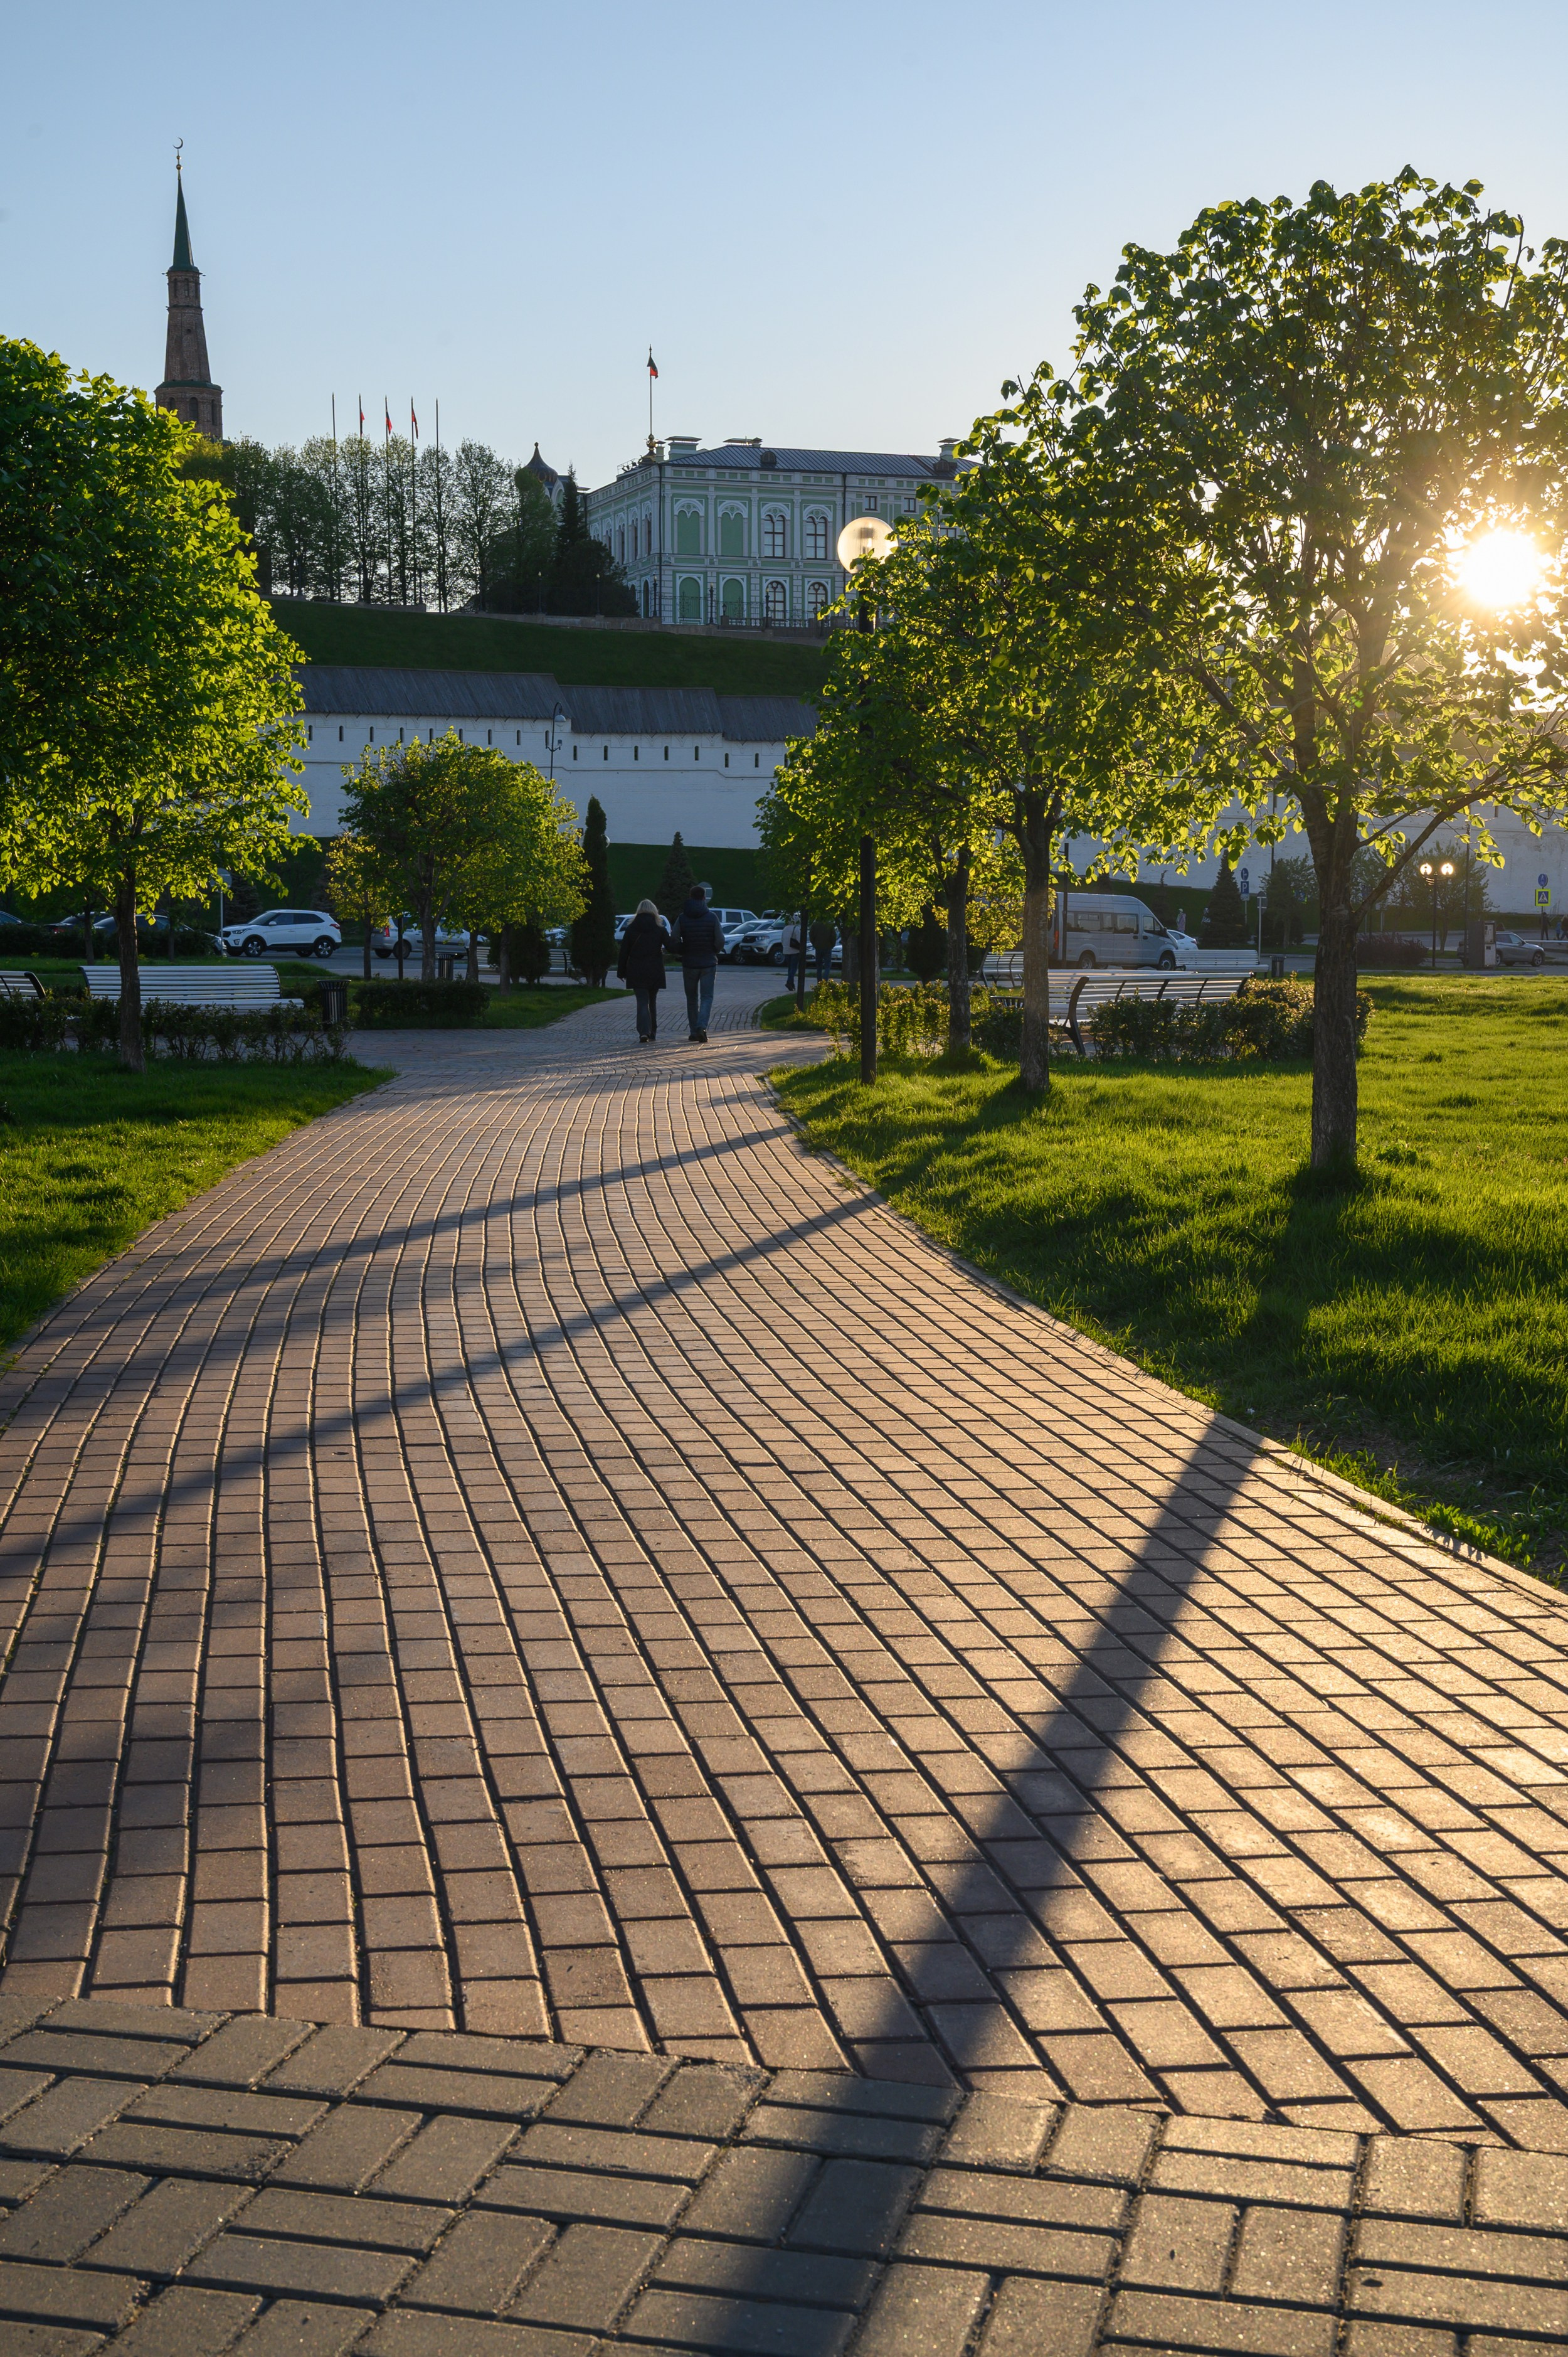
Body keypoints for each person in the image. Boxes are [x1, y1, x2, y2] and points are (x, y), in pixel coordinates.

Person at [671, 884, 724, 1041]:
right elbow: (720, 940)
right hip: (708, 962)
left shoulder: (682, 917)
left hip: (689, 963)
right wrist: (714, 950)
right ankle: (702, 1026)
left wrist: (682, 950)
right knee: (707, 997)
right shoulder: (712, 917)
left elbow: (674, 938)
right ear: (704, 898)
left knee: (692, 998)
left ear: (690, 897)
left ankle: (694, 1031)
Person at [616, 898, 667, 1044]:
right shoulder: (660, 929)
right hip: (655, 970)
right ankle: (652, 1033)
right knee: (653, 1002)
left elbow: (624, 952)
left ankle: (644, 1032)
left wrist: (621, 972)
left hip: (636, 970)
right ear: (654, 912)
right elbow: (672, 946)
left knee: (642, 1002)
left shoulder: (631, 930)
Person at [809, 916, 837, 984]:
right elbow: (833, 936)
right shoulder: (830, 925)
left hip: (818, 948)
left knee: (819, 966)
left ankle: (819, 982)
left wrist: (815, 944)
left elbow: (811, 936)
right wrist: (832, 945)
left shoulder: (814, 925)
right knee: (827, 966)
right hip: (827, 947)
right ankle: (825, 981)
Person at [782, 910, 804, 992]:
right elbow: (799, 940)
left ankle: (792, 984)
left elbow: (782, 940)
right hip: (795, 951)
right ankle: (789, 982)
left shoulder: (785, 929)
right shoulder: (796, 929)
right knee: (794, 968)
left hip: (786, 950)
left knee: (790, 968)